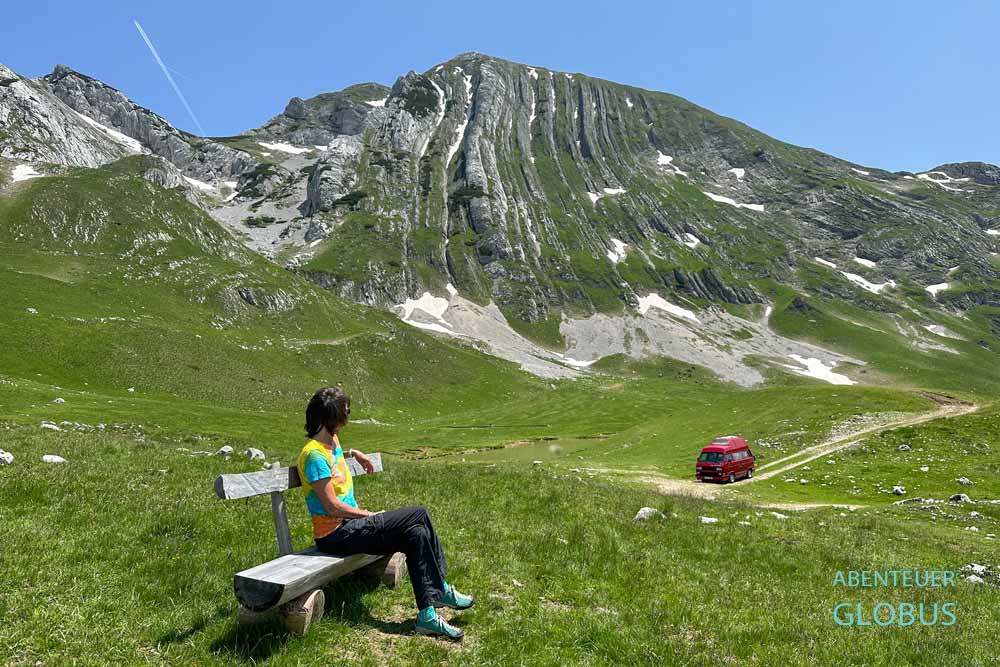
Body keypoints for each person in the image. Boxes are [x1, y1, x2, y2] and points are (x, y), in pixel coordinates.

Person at [297, 386, 474, 640]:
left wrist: (354, 453)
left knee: (416, 534)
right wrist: (367, 515)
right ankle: (442, 589)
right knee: (419, 514)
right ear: (331, 417)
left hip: (350, 528)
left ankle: (427, 616)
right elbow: (331, 507)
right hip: (336, 534)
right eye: (345, 412)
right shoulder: (313, 455)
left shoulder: (331, 441)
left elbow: (334, 458)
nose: (347, 417)